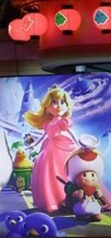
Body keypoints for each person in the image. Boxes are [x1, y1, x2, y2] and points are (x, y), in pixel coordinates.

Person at [23, 85, 80, 214]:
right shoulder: (48, 123)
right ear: (47, 107)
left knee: (65, 172)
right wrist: (33, 144)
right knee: (48, 173)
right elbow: (44, 135)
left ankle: (69, 199)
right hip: (49, 149)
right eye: (54, 102)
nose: (59, 106)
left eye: (62, 102)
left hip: (63, 147)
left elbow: (71, 133)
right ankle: (52, 201)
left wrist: (78, 144)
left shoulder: (63, 122)